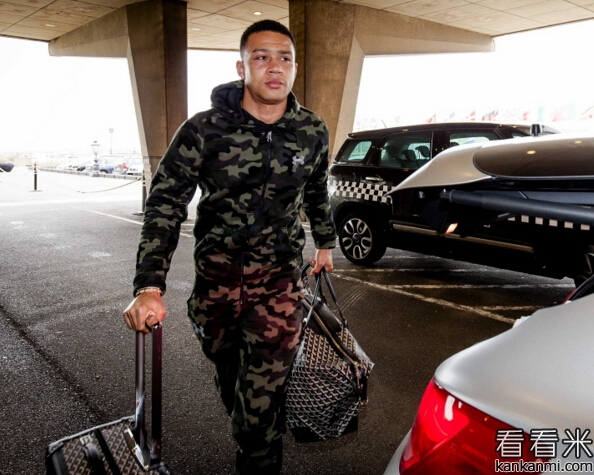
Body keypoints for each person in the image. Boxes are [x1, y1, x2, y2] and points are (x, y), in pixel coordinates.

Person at [122, 19, 336, 475]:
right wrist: (148, 285)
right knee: (236, 390)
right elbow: (165, 204)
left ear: (295, 68)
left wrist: (325, 242)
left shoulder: (312, 130)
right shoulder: (204, 130)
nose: (274, 67)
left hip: (278, 286)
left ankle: (258, 446)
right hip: (215, 289)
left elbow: (317, 190)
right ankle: (253, 431)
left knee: (259, 413)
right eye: (262, 57)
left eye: (284, 58)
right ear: (242, 67)